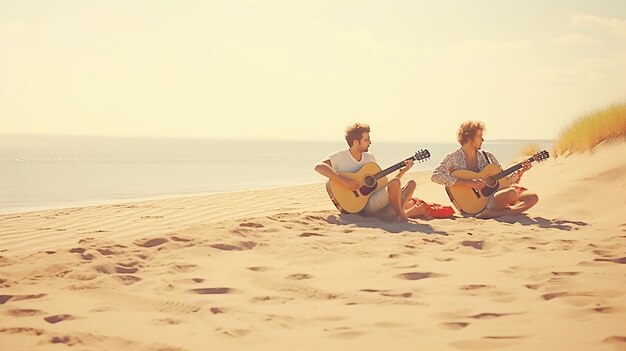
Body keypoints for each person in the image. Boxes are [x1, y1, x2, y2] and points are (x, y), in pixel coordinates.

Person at [315, 123, 428, 221]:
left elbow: (383, 185)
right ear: (355, 142)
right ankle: (401, 215)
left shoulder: (370, 158)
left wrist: (402, 172)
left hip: (375, 201)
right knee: (396, 184)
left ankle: (400, 213)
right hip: (361, 205)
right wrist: (343, 180)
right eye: (366, 139)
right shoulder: (340, 156)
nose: (370, 142)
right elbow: (319, 166)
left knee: (411, 183)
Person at [431, 121, 538, 219]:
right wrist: (468, 183)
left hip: (495, 198)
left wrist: (521, 172)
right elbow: (435, 176)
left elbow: (503, 182)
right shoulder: (452, 158)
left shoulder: (488, 156)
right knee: (511, 193)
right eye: (479, 136)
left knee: (532, 197)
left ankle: (493, 213)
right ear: (469, 138)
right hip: (470, 205)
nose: (482, 140)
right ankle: (500, 211)